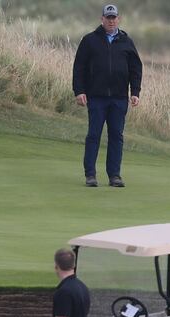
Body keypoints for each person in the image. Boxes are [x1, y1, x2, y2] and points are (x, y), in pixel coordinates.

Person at [72, 4, 142, 188]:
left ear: (119, 19)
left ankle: (114, 176)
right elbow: (79, 67)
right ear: (101, 19)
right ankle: (90, 175)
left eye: (114, 18)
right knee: (94, 135)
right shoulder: (89, 40)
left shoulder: (126, 42)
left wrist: (135, 92)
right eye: (108, 18)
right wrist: (79, 91)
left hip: (119, 98)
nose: (111, 21)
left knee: (116, 136)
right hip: (96, 97)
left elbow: (136, 69)